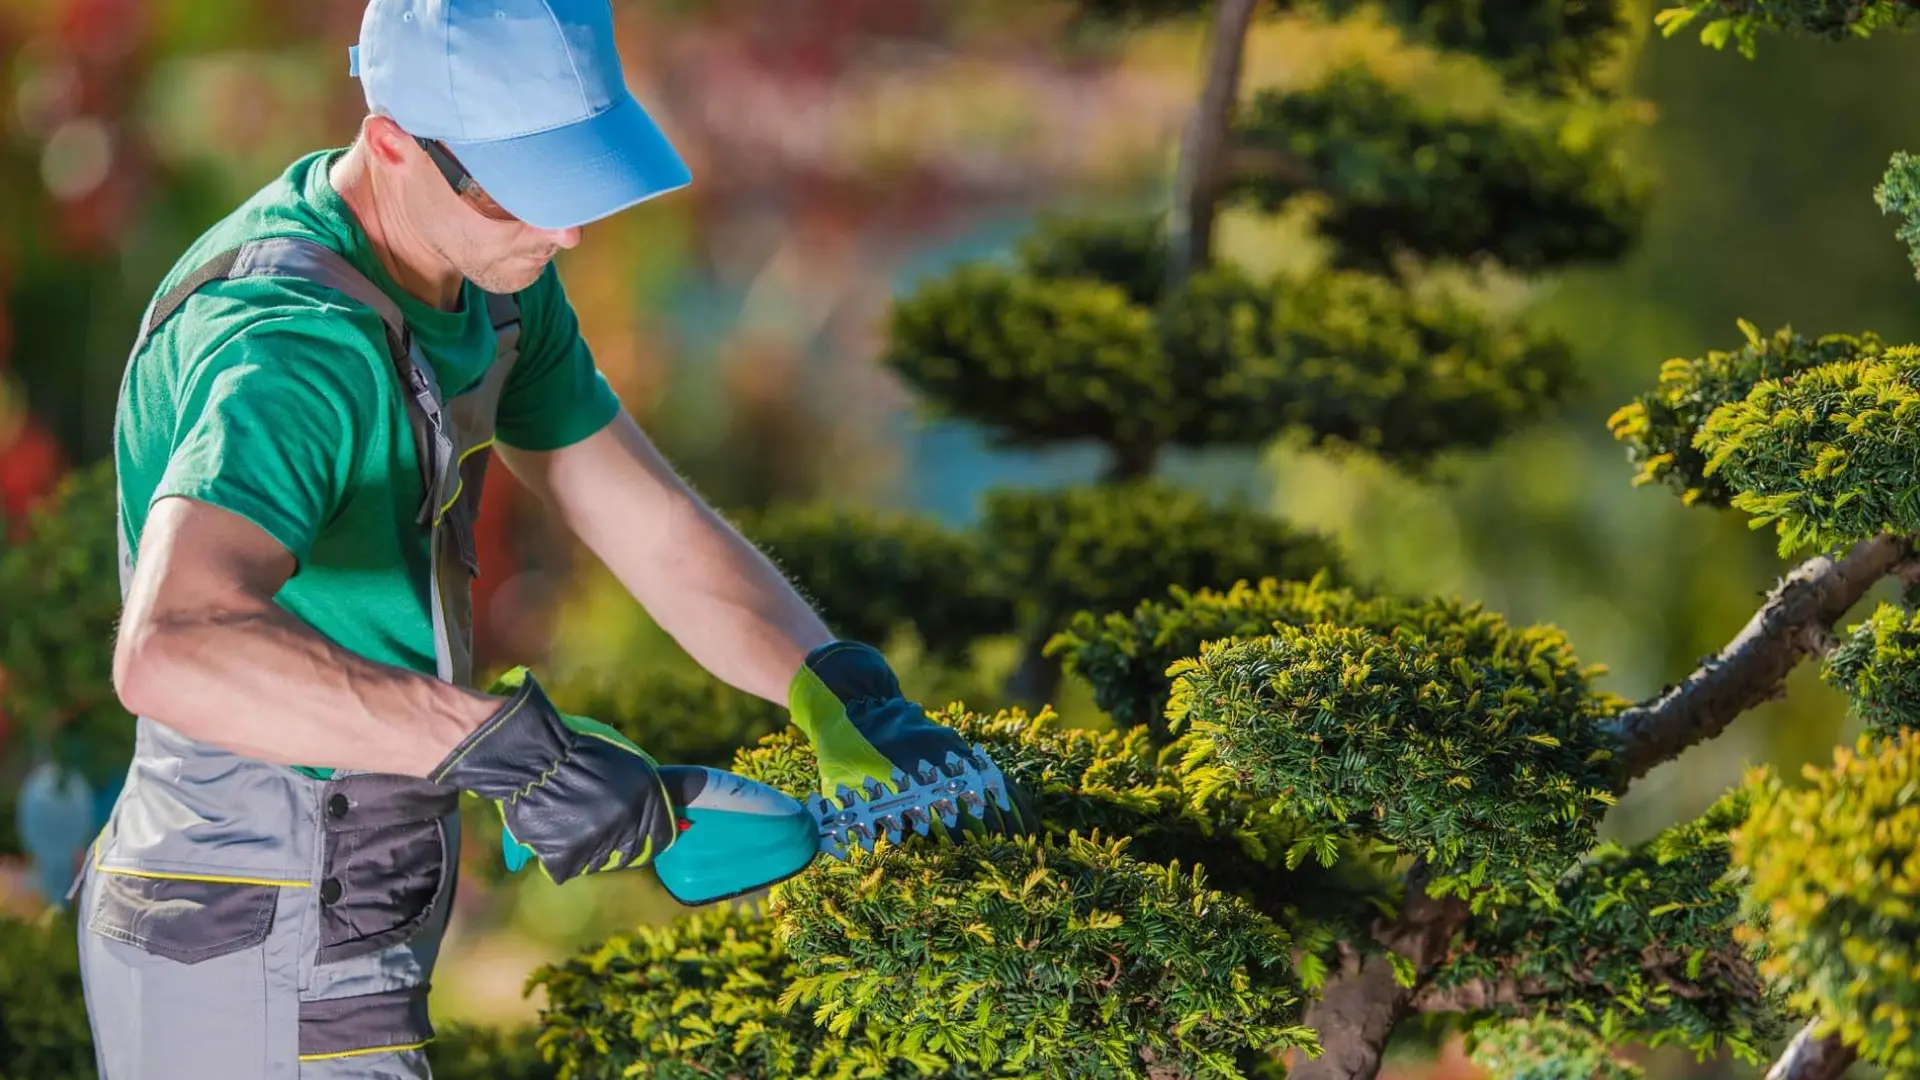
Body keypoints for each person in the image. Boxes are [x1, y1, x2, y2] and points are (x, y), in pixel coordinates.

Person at [70, 2, 1028, 1078]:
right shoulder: (291, 354)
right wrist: (511, 750)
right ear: (392, 146)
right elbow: (174, 648)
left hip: (355, 882)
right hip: (243, 922)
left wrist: (838, 688)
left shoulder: (484, 279)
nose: (566, 229)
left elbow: (649, 521)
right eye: (526, 186)